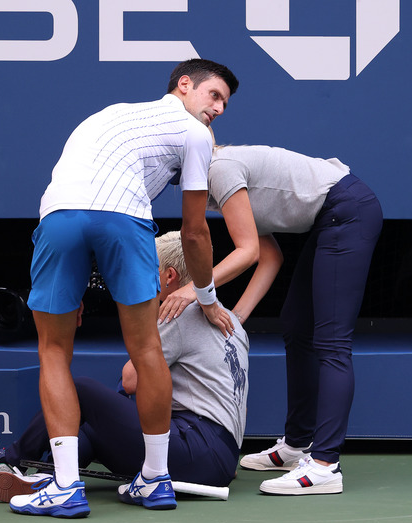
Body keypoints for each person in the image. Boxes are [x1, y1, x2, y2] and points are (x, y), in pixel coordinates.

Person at [17, 58, 239, 517]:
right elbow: (196, 233)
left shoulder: (108, 114)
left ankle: (64, 486)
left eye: (224, 103)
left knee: (53, 350)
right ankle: (155, 480)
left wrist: (74, 286)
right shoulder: (197, 135)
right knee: (147, 349)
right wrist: (207, 298)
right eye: (214, 95)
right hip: (125, 220)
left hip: (59, 217)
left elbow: (81, 200)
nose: (218, 108)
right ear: (184, 85)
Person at [0, 231, 249, 515]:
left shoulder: (177, 312)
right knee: (90, 428)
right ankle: (47, 474)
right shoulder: (231, 321)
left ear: (169, 276)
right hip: (220, 459)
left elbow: (131, 380)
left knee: (81, 389)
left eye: (148, 268)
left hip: (195, 448)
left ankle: (8, 461)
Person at [158, 144, 383, 495]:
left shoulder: (221, 170)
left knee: (332, 341)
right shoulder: (214, 185)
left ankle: (325, 465)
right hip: (333, 215)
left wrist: (195, 292)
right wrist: (234, 318)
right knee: (296, 323)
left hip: (347, 210)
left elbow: (247, 252)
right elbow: (270, 255)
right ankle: (298, 444)